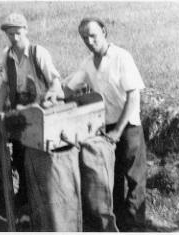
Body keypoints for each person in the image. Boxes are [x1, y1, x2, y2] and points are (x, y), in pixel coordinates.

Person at [64, 17, 147, 231]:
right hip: (105, 127)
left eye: (93, 35)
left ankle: (136, 226)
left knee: (134, 178)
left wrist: (118, 131)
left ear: (104, 31)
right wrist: (52, 94)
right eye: (84, 38)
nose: (89, 41)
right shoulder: (88, 63)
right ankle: (117, 224)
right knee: (114, 177)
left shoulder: (121, 57)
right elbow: (69, 87)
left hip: (128, 127)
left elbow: (133, 96)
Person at [0, 12, 64, 211]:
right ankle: (24, 200)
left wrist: (48, 98)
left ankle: (45, 203)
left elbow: (55, 82)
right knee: (20, 156)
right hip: (19, 112)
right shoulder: (7, 55)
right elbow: (6, 84)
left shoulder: (37, 52)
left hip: (40, 111)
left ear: (25, 30)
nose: (14, 38)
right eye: (10, 34)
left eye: (17, 33)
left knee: (39, 158)